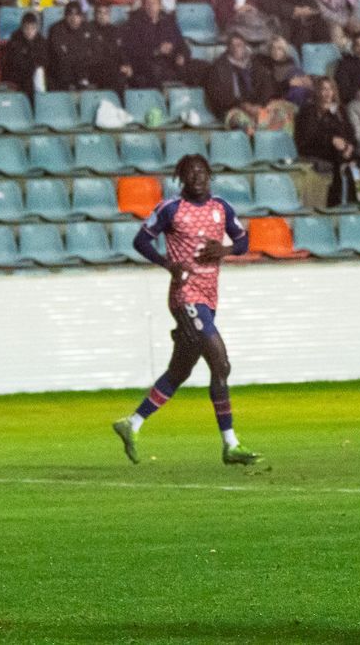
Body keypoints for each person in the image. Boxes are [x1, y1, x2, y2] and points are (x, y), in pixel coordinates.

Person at [112, 155, 261, 467]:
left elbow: (243, 239)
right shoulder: (171, 209)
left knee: (180, 370)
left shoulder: (222, 207)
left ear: (209, 175)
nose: (197, 177)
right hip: (186, 295)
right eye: (190, 173)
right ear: (182, 178)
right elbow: (141, 240)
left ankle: (132, 423)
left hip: (209, 296)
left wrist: (227, 249)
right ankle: (230, 443)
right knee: (220, 363)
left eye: (202, 172)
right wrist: (168, 264)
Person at [295, 77, 358, 207]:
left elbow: (349, 132)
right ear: (318, 91)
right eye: (324, 89)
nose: (328, 92)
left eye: (330, 89)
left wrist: (349, 145)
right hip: (312, 148)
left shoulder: (339, 110)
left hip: (336, 149)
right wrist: (331, 139)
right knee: (339, 159)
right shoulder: (308, 111)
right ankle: (334, 203)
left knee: (355, 157)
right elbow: (309, 136)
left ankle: (357, 202)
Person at [1, 10, 47, 95]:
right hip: (17, 76)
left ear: (37, 28)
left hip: (33, 75)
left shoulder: (42, 41)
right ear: (22, 28)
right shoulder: (15, 40)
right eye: (27, 28)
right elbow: (14, 62)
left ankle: (40, 100)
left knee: (39, 72)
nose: (29, 31)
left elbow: (43, 61)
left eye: (32, 28)